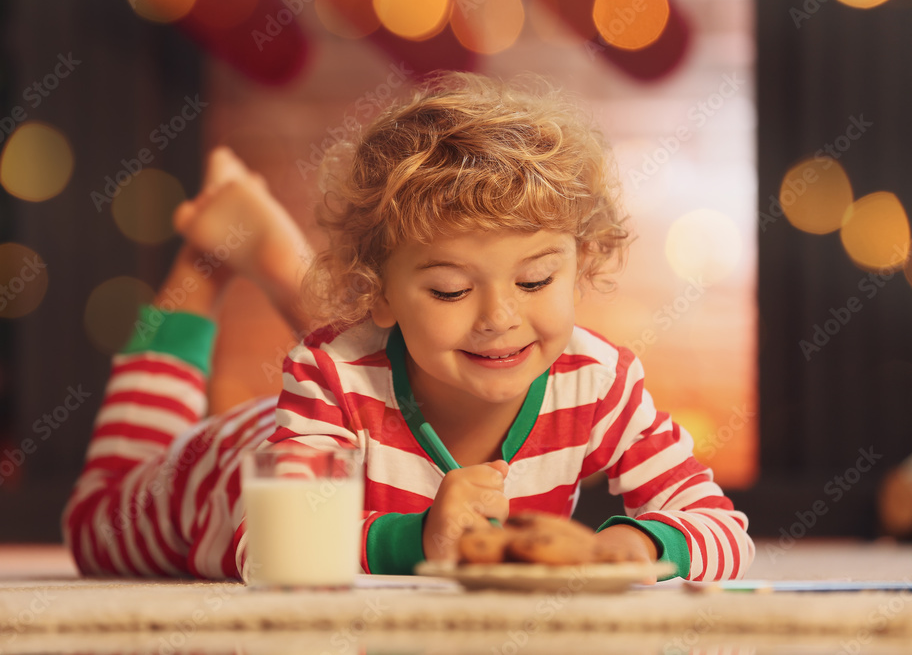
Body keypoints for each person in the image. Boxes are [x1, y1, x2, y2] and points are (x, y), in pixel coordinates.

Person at [62, 72, 754, 583]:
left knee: (402, 355)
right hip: (220, 477)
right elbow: (272, 551)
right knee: (96, 519)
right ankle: (209, 260)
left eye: (536, 280)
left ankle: (277, 257)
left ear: (581, 264)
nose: (501, 317)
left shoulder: (599, 380)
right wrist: (421, 536)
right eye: (451, 287)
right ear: (378, 294)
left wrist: (633, 546)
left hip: (354, 409)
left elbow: (724, 528)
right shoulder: (326, 371)